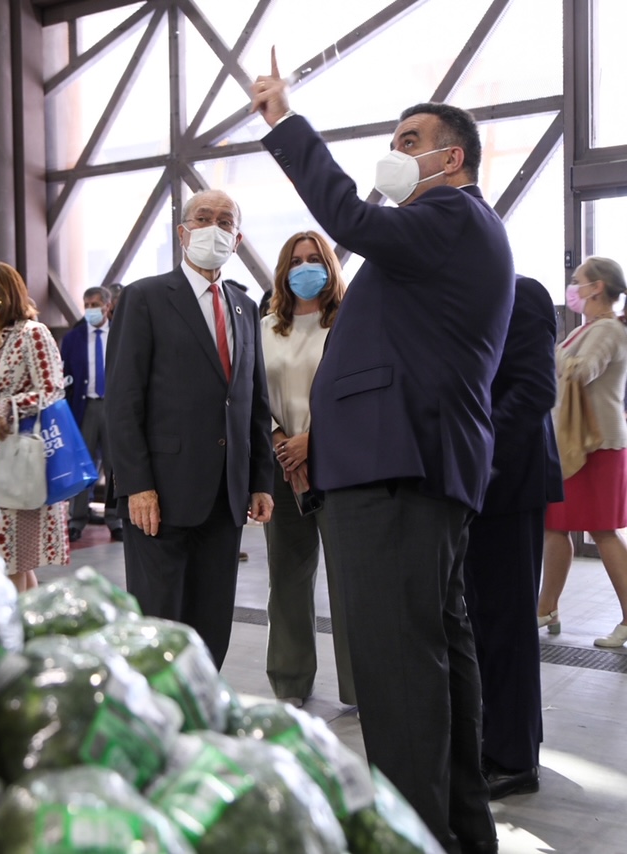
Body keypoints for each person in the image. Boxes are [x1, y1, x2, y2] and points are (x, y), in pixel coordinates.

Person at [253, 61, 512, 853]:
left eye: (409, 141)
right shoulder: (442, 238)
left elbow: (347, 217)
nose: (393, 153)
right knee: (435, 664)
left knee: (398, 676)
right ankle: (457, 832)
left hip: (395, 474)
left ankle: (411, 839)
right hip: (406, 468)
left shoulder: (452, 219)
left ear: (452, 158)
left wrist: (282, 122)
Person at [105, 188, 275, 670]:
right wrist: (137, 485)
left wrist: (260, 480)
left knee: (211, 618)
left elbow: (253, 402)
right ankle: (158, 724)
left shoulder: (244, 308)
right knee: (160, 619)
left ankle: (201, 711)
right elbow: (123, 400)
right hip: (160, 493)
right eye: (204, 218)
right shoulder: (146, 297)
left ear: (237, 239)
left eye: (226, 221)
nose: (214, 228)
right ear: (183, 232)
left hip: (226, 494)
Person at [464, 274, 562, 801]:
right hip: (472, 485)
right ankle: (504, 737)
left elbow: (534, 390)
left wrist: (471, 451)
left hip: (506, 481)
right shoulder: (462, 293)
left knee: (507, 625)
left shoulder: (520, 292)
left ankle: (514, 759)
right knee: (483, 623)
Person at [259, 231, 354, 709]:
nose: (305, 268)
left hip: (337, 461)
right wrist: (280, 441)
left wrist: (312, 442)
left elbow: (359, 393)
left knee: (348, 577)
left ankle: (360, 685)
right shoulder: (266, 326)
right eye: (296, 260)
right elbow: (255, 396)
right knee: (287, 577)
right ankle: (290, 680)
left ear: (330, 266)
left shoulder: (350, 321)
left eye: (315, 259)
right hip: (282, 464)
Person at [538, 257, 627, 647]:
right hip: (577, 446)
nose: (572, 289)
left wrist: (544, 351)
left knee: (603, 532)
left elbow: (582, 370)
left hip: (596, 447)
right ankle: (546, 607)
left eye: (578, 282)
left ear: (598, 288)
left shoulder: (607, 329)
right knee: (555, 526)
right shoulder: (591, 328)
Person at [0, 262, 69, 592]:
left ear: (1, 292)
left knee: (12, 560)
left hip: (21, 459)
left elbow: (52, 388)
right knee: (5, 559)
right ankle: (30, 627)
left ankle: (17, 633)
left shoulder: (32, 333)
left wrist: (8, 407)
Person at [60, 286, 122, 543]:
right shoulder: (74, 338)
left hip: (113, 407)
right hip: (84, 408)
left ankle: (115, 519)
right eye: (86, 305)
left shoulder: (120, 334)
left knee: (114, 466)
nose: (90, 310)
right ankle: (77, 519)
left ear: (107, 306)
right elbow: (64, 376)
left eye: (95, 305)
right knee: (82, 467)